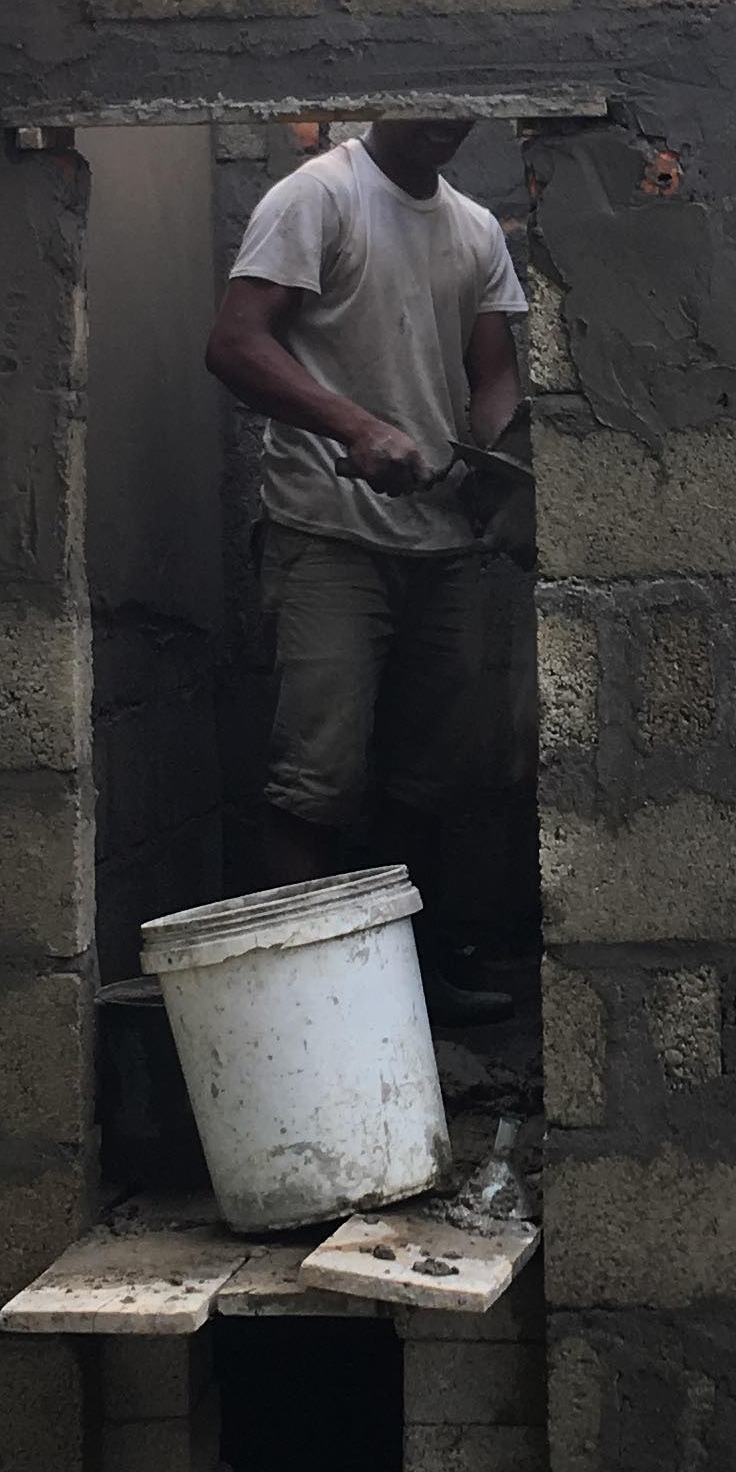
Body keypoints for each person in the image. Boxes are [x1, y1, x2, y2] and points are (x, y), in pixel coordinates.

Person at [206, 114, 529, 1017]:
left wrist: (496, 455)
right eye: (427, 104)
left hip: (443, 546)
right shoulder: (319, 196)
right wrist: (357, 427)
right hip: (328, 534)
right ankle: (299, 1013)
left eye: (461, 109)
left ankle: (411, 996)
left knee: (430, 780)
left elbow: (492, 372)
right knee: (317, 778)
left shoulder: (475, 230)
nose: (446, 123)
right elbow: (234, 343)